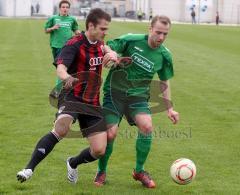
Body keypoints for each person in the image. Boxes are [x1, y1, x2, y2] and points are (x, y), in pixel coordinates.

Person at [17, 8, 118, 184]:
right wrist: (67, 77)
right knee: (62, 127)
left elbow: (107, 48)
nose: (105, 32)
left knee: (100, 149)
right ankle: (28, 169)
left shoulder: (100, 42)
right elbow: (61, 68)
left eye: (106, 29)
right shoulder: (74, 44)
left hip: (92, 102)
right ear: (91, 26)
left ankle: (73, 162)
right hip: (73, 96)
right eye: (103, 28)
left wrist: (112, 54)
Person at [93, 15, 179, 188]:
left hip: (138, 98)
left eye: (165, 34)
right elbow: (107, 46)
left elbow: (164, 81)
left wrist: (169, 108)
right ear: (150, 29)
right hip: (114, 93)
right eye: (158, 32)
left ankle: (139, 171)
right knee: (110, 134)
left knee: (147, 126)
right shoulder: (132, 40)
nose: (161, 37)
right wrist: (112, 53)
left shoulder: (164, 56)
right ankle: (101, 171)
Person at [45, 0, 80, 95]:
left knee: (62, 68)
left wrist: (79, 34)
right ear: (60, 8)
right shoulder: (53, 18)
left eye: (67, 7)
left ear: (69, 9)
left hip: (68, 47)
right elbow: (46, 30)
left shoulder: (72, 19)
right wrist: (53, 28)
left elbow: (75, 29)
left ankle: (58, 90)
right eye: (63, 7)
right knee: (61, 68)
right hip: (56, 46)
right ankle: (64, 87)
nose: (65, 9)